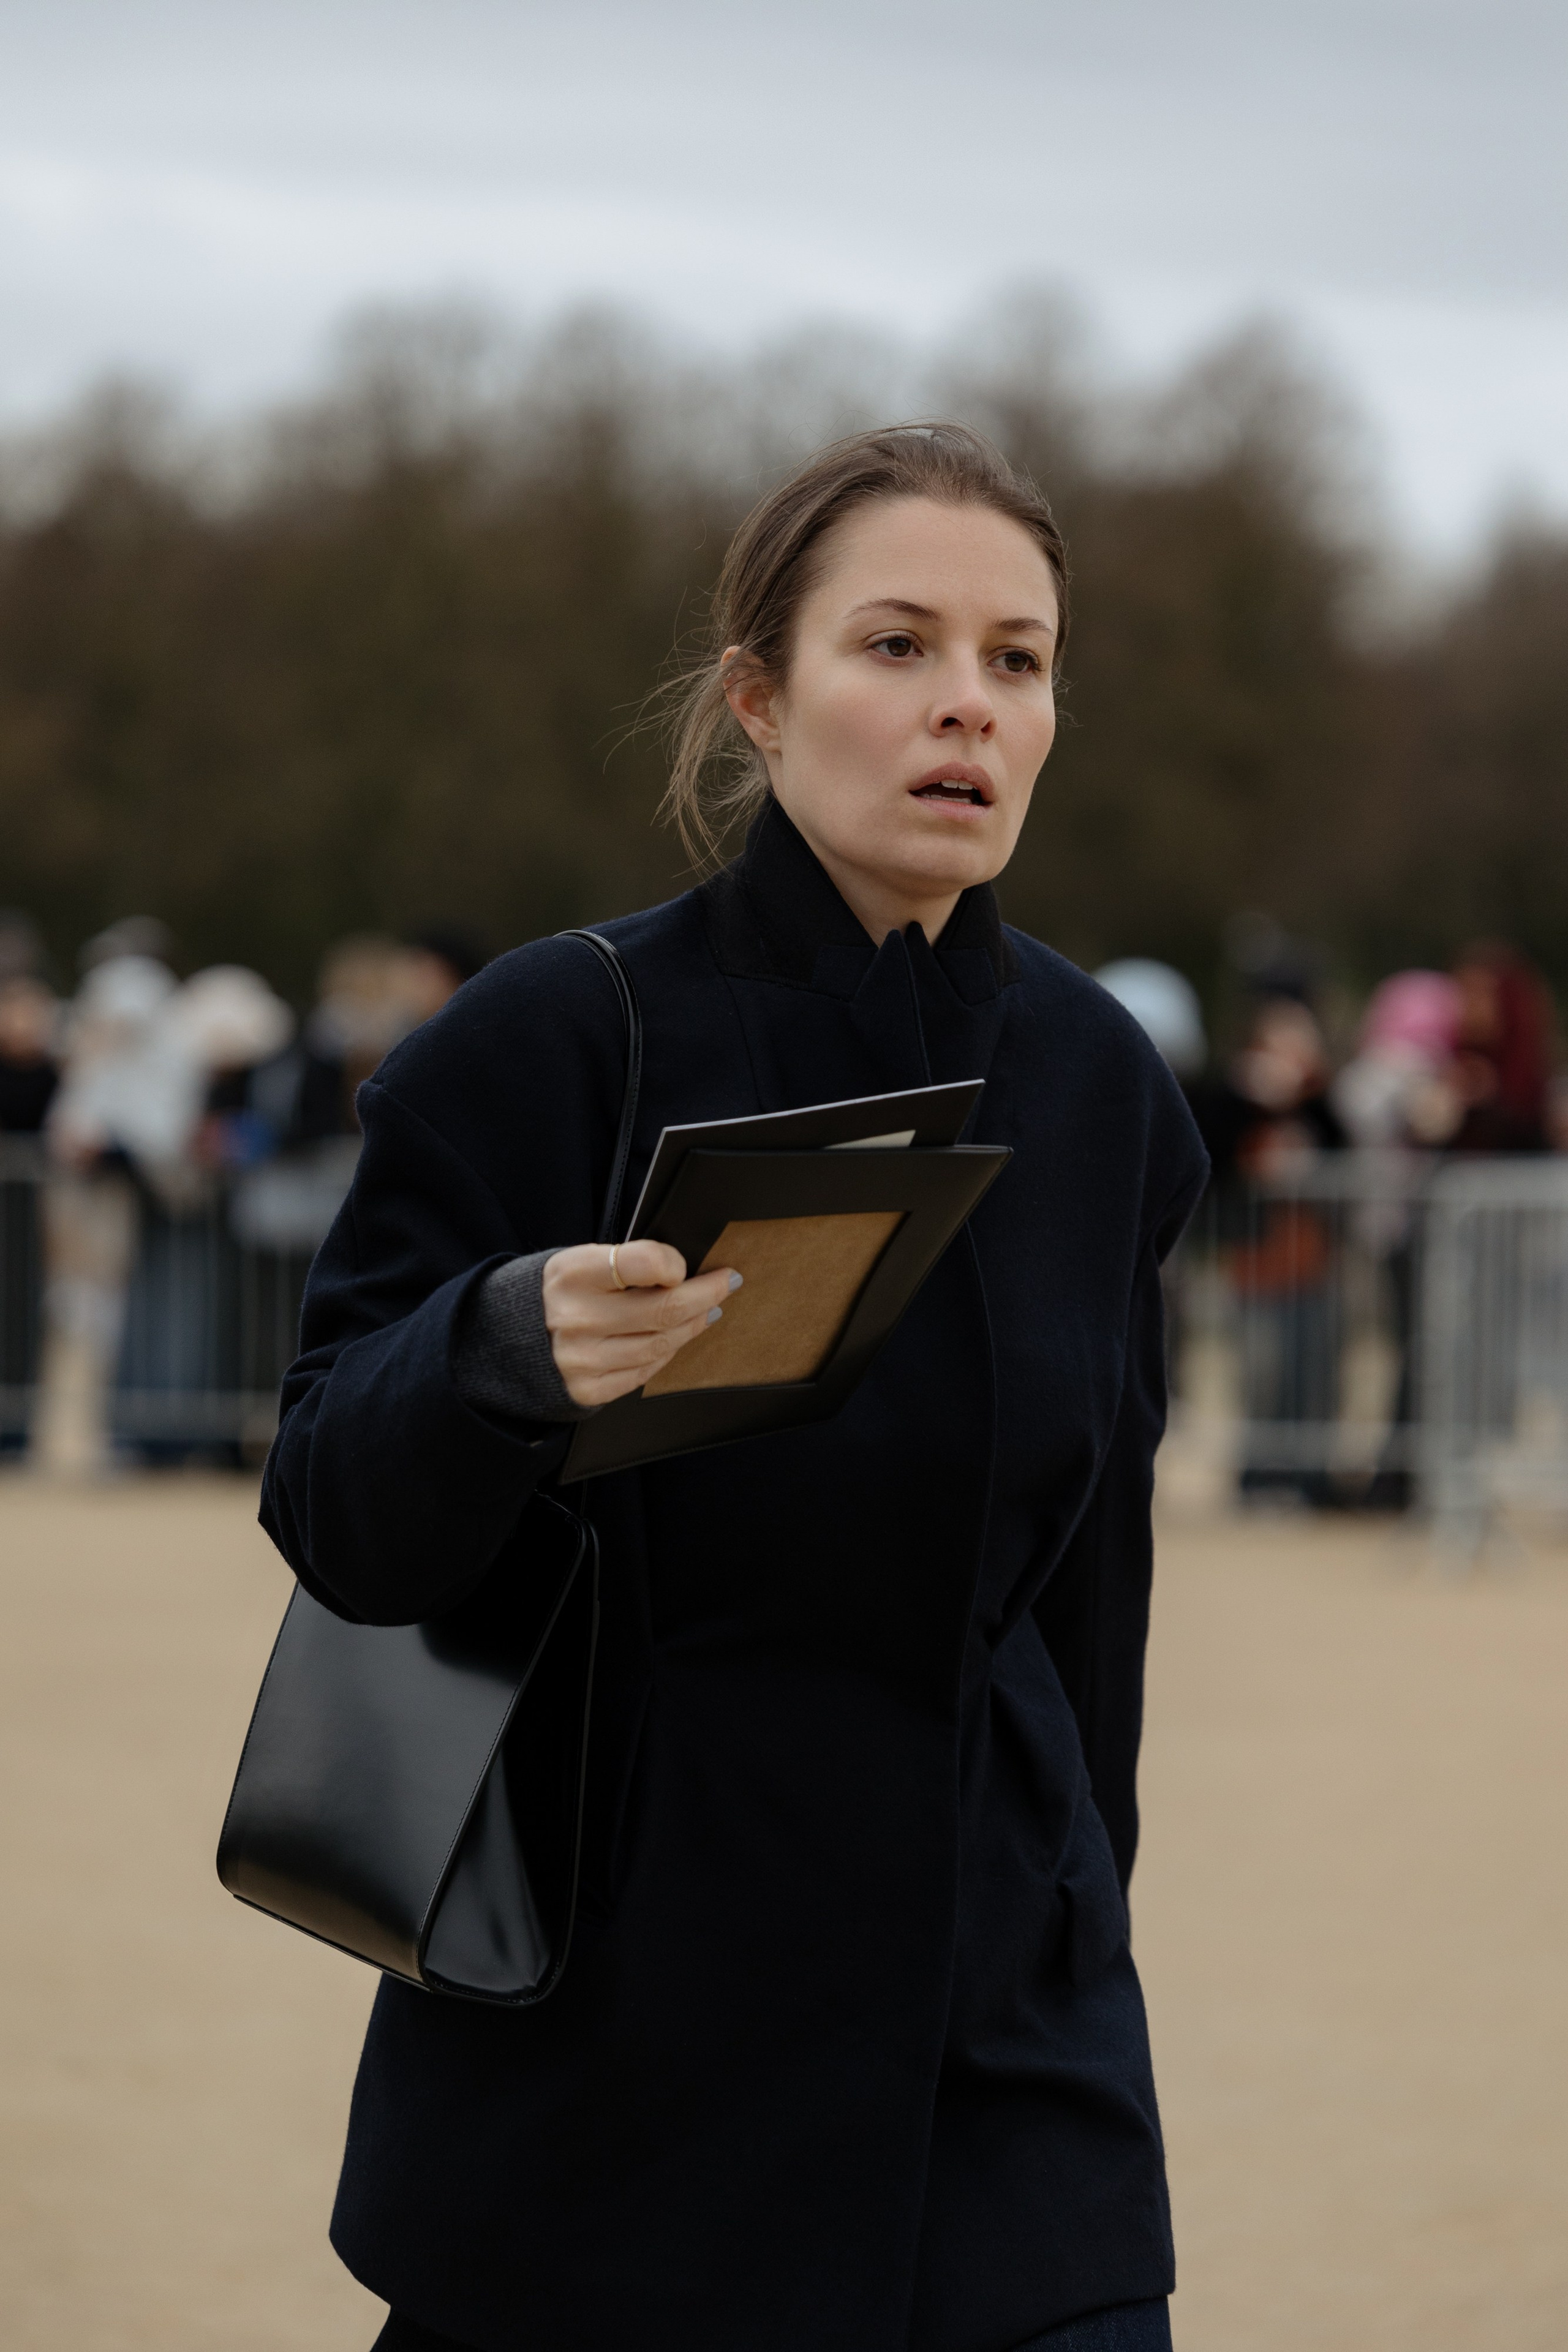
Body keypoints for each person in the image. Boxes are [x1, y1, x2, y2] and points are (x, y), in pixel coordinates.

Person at [262, 424, 1208, 2352]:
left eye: (1017, 661)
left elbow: (1094, 1578)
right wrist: (499, 1348)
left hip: (1003, 2063)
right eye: (899, 647)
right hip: (618, 2053)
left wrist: (1074, 1901)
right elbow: (333, 1508)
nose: (969, 706)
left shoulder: (1105, 1085)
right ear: (759, 702)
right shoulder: (552, 1035)